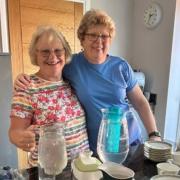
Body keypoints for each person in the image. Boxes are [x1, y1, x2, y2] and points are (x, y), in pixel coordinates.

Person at [14, 9, 161, 156]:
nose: (99, 41)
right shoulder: (71, 65)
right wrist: (24, 78)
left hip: (129, 141)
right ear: (82, 38)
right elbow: (50, 68)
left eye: (104, 36)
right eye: (92, 35)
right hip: (97, 149)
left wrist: (154, 133)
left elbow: (141, 103)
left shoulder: (121, 66)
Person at [9, 26, 89, 167]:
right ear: (36, 55)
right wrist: (20, 138)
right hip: (48, 171)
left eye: (58, 50)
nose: (53, 57)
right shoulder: (27, 87)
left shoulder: (71, 81)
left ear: (65, 53)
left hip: (81, 168)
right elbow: (15, 131)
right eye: (45, 52)